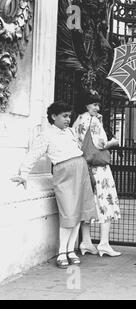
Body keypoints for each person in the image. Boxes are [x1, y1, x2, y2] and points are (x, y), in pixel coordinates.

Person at [11, 102, 98, 268]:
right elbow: (33, 155)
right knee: (68, 213)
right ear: (53, 116)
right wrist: (23, 174)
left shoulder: (69, 132)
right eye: (64, 116)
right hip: (64, 174)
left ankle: (71, 250)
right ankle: (61, 252)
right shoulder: (46, 135)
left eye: (69, 116)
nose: (68, 119)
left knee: (79, 212)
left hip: (80, 170)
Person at [72, 91, 122, 257]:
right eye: (94, 104)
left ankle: (86, 242)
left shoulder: (78, 120)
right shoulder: (93, 120)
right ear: (87, 104)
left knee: (88, 203)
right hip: (99, 169)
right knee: (105, 202)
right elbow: (101, 144)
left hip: (84, 166)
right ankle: (104, 243)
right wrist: (113, 142)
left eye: (98, 104)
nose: (97, 107)